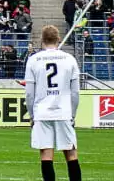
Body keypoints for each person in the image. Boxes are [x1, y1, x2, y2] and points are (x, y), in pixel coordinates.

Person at [25, 25, 82, 181]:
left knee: (46, 154)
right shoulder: (69, 59)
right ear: (58, 39)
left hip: (42, 112)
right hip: (63, 112)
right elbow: (75, 92)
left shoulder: (33, 60)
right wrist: (73, 114)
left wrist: (32, 115)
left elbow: (29, 93)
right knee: (71, 153)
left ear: (42, 40)